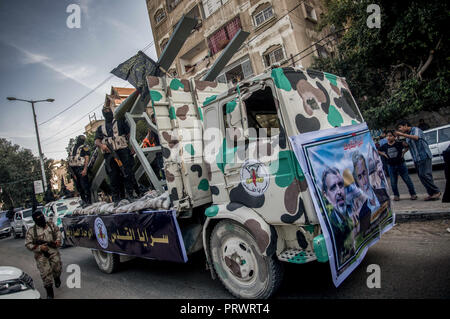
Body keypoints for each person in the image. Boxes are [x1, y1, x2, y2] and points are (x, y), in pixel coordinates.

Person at [95, 106, 135, 205]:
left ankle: (130, 194)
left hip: (122, 151)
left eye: (109, 112)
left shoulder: (120, 122)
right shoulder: (101, 128)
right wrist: (102, 145)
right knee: (113, 176)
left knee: (127, 172)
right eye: (105, 112)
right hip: (109, 154)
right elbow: (96, 141)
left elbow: (129, 135)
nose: (108, 114)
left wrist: (133, 146)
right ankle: (116, 198)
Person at [396, 119, 441, 201]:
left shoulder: (416, 130)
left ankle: (436, 191)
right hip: (416, 158)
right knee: (421, 177)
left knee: (426, 175)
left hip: (424, 156)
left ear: (406, 125)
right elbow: (409, 146)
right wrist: (404, 147)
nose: (400, 129)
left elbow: (416, 138)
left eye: (400, 127)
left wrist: (403, 135)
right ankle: (431, 194)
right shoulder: (407, 135)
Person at [25, 209, 62, 299]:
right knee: (45, 273)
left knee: (57, 267)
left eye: (41, 217)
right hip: (41, 254)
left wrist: (57, 241)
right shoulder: (31, 231)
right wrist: (39, 248)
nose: (41, 219)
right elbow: (28, 244)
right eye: (38, 219)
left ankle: (57, 277)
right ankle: (50, 293)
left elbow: (58, 232)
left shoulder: (50, 224)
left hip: (53, 250)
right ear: (35, 220)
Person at [321, 167, 355, 264]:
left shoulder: (352, 210)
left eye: (340, 185)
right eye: (333, 188)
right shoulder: (330, 225)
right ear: (325, 195)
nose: (339, 191)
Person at [378, 130, 417, 201]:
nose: (388, 138)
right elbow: (378, 150)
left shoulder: (399, 143)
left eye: (390, 136)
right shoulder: (384, 146)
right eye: (387, 136)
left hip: (401, 164)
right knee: (393, 182)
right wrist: (384, 154)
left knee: (407, 180)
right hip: (391, 166)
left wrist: (403, 153)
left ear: (394, 137)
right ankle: (396, 195)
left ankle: (413, 194)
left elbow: (408, 146)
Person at [67, 135, 91, 207]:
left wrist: (85, 169)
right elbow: (69, 159)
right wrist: (72, 173)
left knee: (84, 185)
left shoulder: (84, 147)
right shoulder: (72, 148)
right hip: (73, 169)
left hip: (81, 167)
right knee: (79, 187)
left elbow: (87, 158)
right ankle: (83, 200)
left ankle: (88, 201)